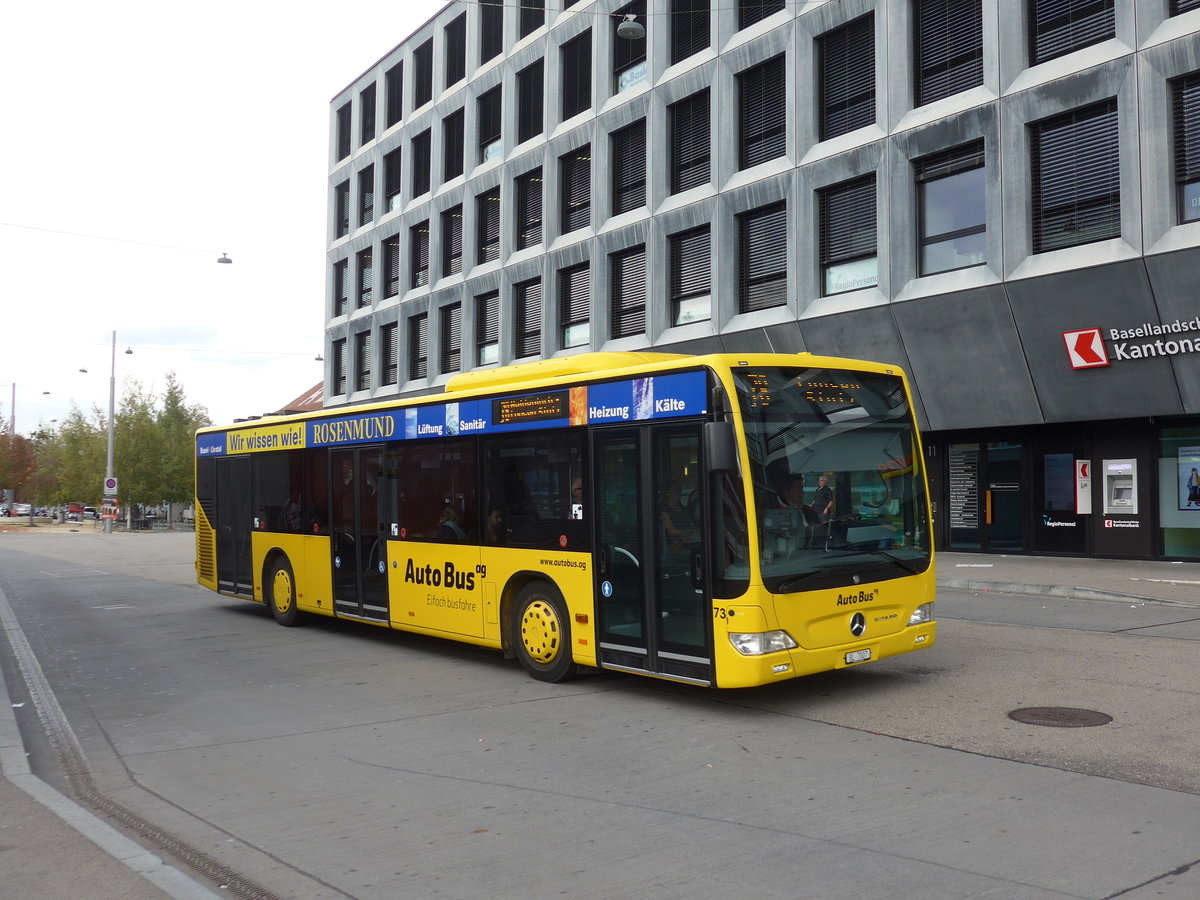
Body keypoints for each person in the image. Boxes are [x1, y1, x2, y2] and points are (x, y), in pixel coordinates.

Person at [661, 481, 697, 555]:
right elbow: (671, 530)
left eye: (679, 490)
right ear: (667, 493)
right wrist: (684, 533)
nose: (678, 493)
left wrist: (692, 532)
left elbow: (692, 525)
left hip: (689, 539)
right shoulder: (665, 511)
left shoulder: (684, 509)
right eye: (675, 490)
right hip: (676, 544)